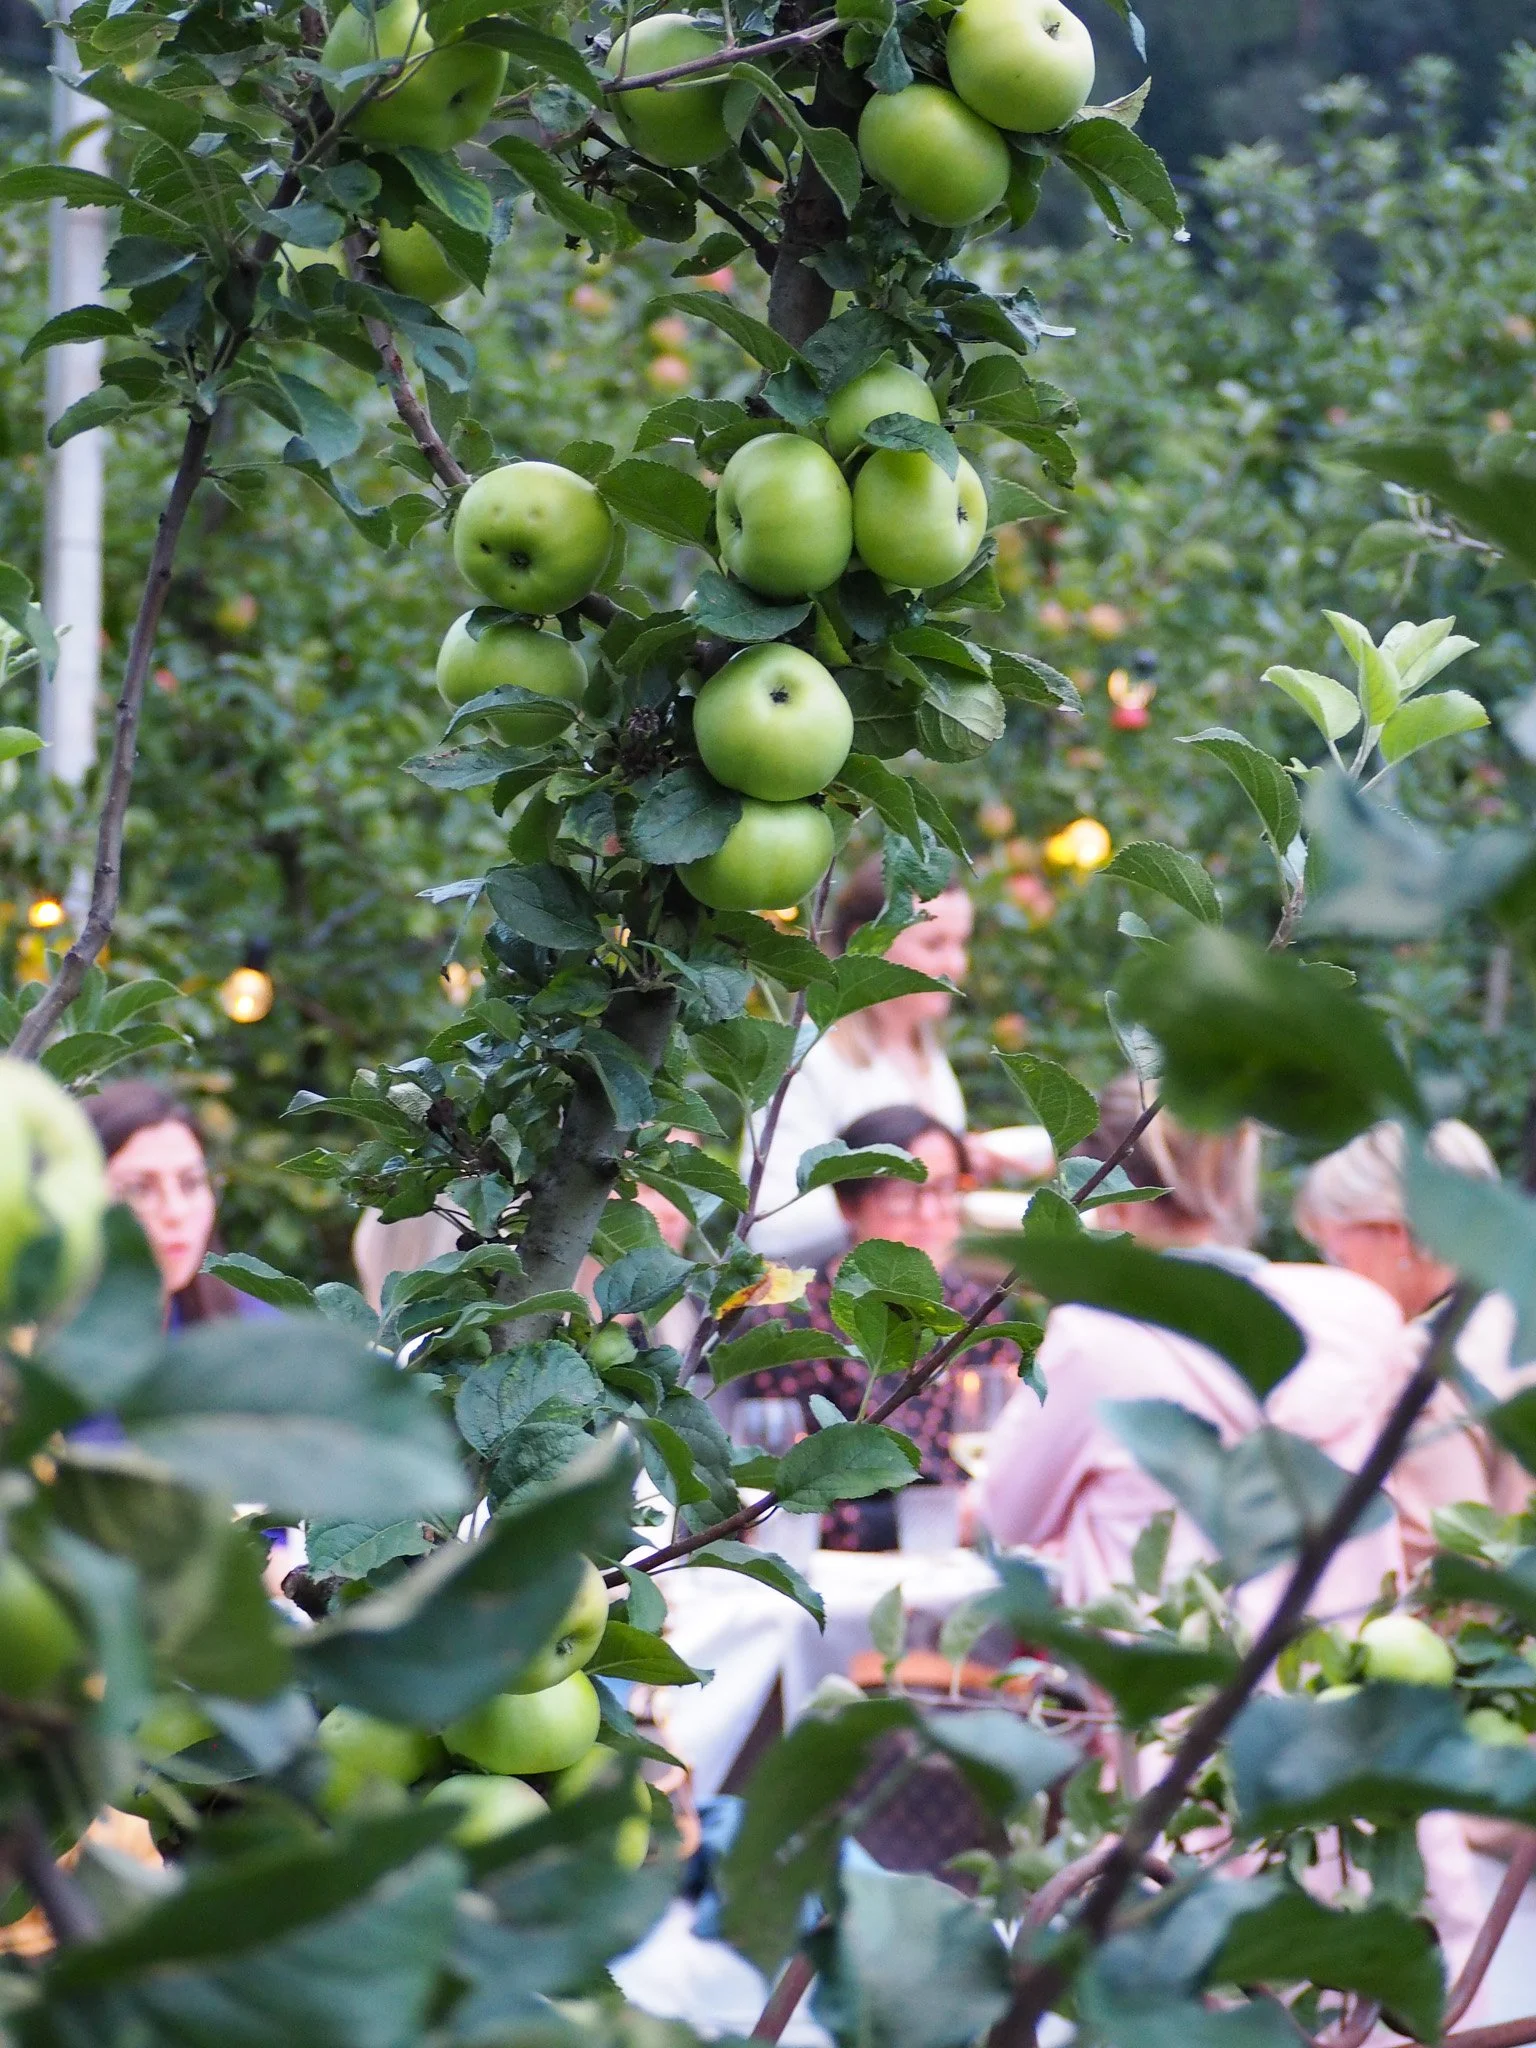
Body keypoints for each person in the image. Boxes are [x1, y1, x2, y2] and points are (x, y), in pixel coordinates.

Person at [977, 1076, 1407, 1612]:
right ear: (1233, 1186)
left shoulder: (1096, 1339)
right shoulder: (1359, 1313)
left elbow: (1009, 1519)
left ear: (1112, 1204)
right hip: (1334, 1667)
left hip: (1172, 1677)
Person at [734, 1103, 1017, 1550]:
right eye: (904, 1194)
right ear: (850, 1203)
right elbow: (775, 1498)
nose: (929, 1213)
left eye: (945, 1190)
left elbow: (1013, 1458)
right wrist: (936, 1522)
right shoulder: (796, 1322)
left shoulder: (980, 1313)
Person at [745, 858, 1051, 1267]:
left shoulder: (928, 1057)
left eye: (961, 943)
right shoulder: (809, 1061)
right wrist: (898, 1191)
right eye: (934, 944)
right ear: (867, 943)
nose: (956, 966)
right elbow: (772, 1223)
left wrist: (958, 1169)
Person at [1290, 1118, 1529, 1564]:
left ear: (1395, 1233)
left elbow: (1444, 1577)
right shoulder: (1516, 1321)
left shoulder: (1426, 1363)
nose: (1336, 1273)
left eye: (1335, 1254)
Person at [83, 1080, 278, 1326]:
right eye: (138, 1189)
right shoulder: (31, 1345)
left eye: (191, 1183)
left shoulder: (256, 1338)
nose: (176, 1211)